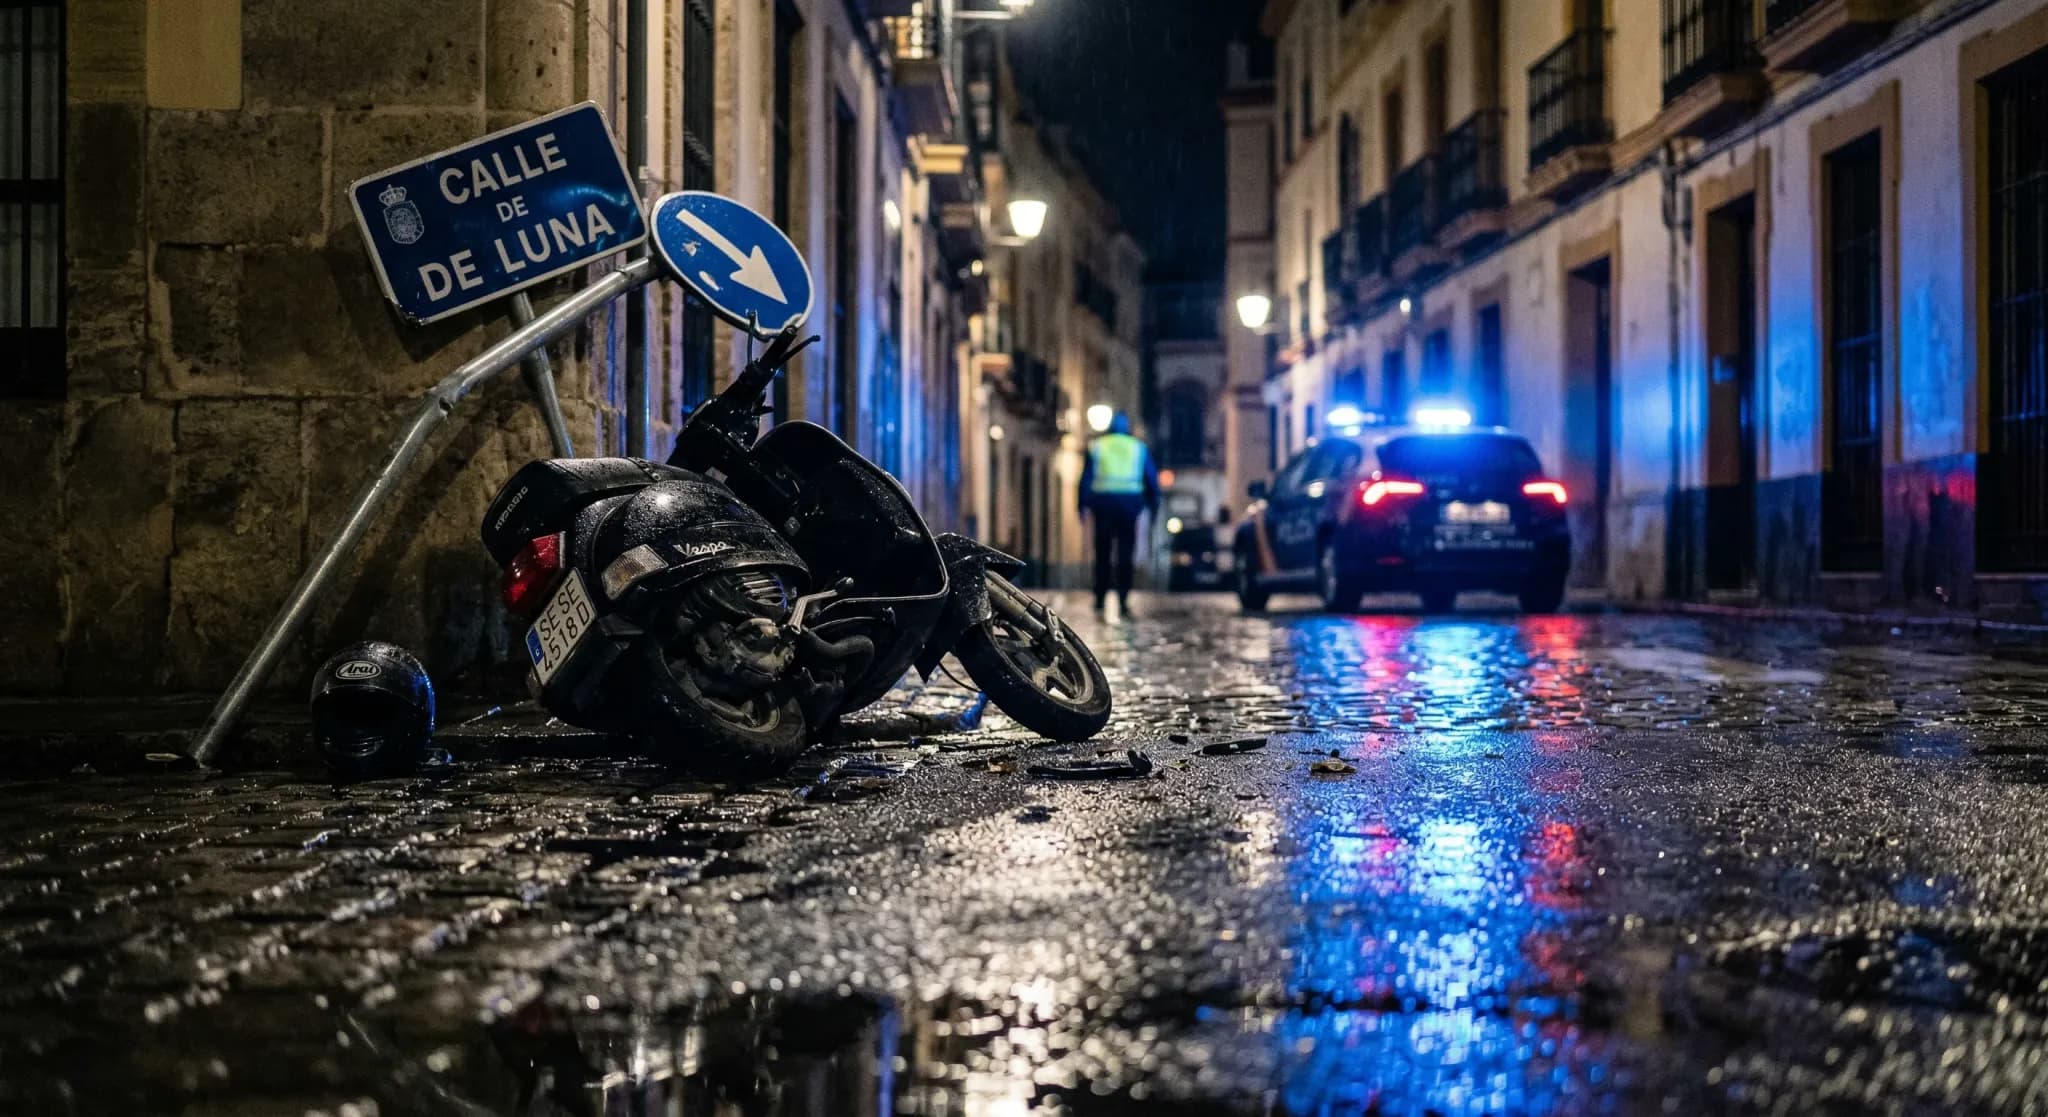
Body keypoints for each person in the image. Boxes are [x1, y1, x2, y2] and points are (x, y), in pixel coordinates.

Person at [1077, 412, 1160, 616]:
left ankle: (1100, 597)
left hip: (1103, 504)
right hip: (1129, 505)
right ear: (1128, 428)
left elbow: (1086, 478)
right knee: (1125, 552)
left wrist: (1082, 505)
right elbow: (1151, 479)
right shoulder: (1138, 448)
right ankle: (1123, 597)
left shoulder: (1097, 446)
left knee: (1102, 552)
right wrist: (1153, 504)